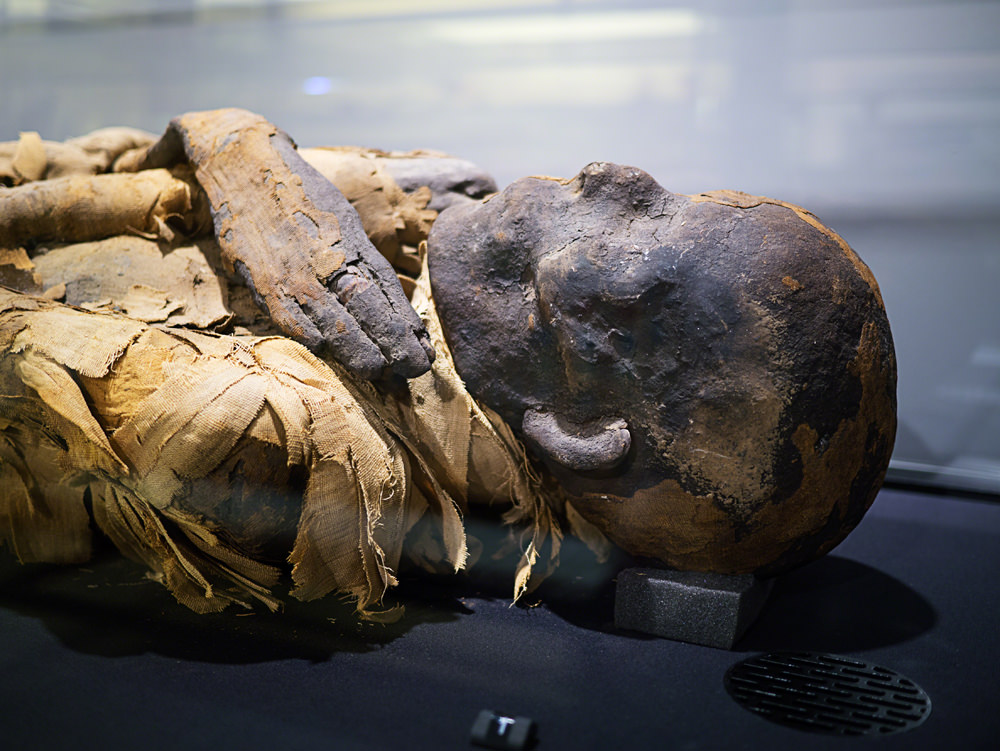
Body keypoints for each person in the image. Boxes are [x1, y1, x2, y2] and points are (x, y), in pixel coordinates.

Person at [0, 109, 895, 619]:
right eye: (665, 195)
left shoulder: (276, 433)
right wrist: (248, 158)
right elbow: (118, 155)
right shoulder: (451, 194)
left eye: (634, 246)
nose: (615, 175)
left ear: (582, 432)